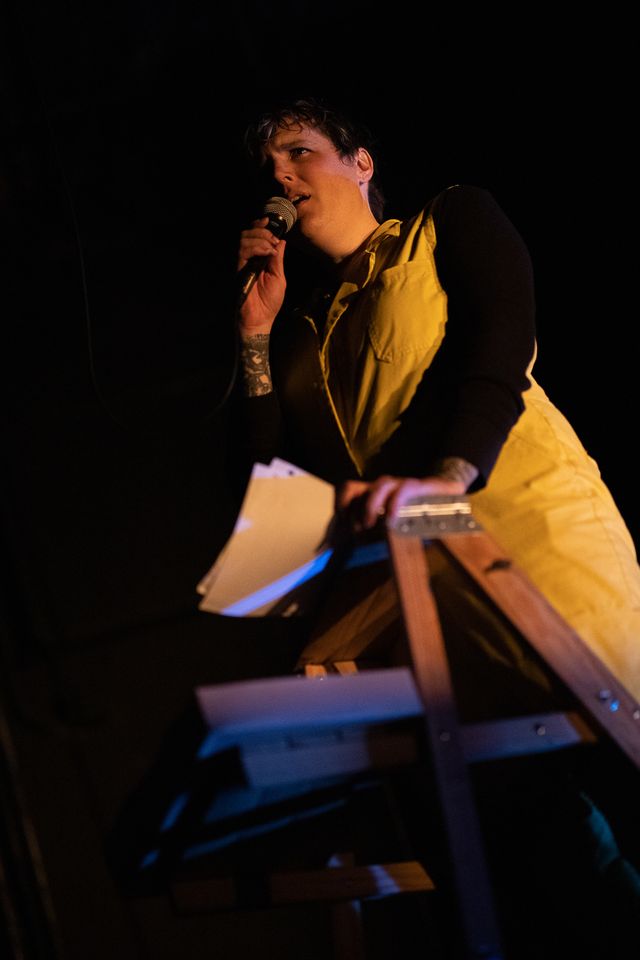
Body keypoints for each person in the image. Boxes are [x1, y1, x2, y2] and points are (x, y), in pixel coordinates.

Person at [231, 96, 640, 958]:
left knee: (616, 746)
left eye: (301, 153)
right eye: (271, 170)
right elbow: (280, 484)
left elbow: (501, 340)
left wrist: (448, 476)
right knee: (534, 851)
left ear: (361, 163)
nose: (284, 177)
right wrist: (256, 339)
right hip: (422, 606)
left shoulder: (443, 222)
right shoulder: (303, 333)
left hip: (523, 530)